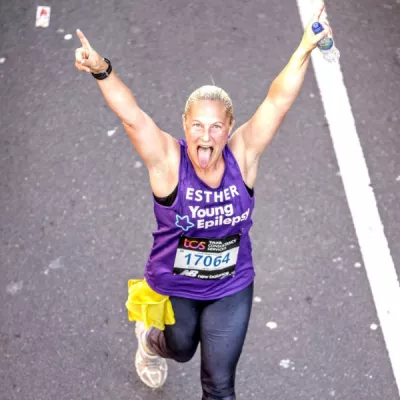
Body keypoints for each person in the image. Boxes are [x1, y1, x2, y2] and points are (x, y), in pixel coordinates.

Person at [75, 3, 333, 399]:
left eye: (216, 126)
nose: (206, 135)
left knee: (219, 384)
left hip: (231, 285)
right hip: (176, 284)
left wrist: (304, 49)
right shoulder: (167, 161)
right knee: (180, 348)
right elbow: (132, 117)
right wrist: (100, 69)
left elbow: (276, 102)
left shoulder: (242, 155)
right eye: (198, 125)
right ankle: (149, 342)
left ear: (230, 128)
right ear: (185, 126)